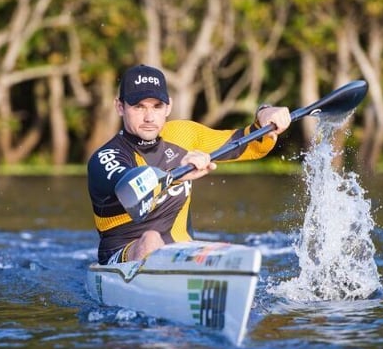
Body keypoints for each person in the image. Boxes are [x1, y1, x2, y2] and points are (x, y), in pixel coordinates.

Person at [87, 64, 291, 265]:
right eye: (139, 106)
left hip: (180, 250)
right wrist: (176, 174)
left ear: (169, 107)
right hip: (123, 255)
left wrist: (265, 115)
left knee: (229, 252)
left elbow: (251, 146)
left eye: (157, 106)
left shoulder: (184, 134)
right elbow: (130, 189)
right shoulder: (106, 157)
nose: (149, 117)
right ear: (120, 107)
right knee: (150, 239)